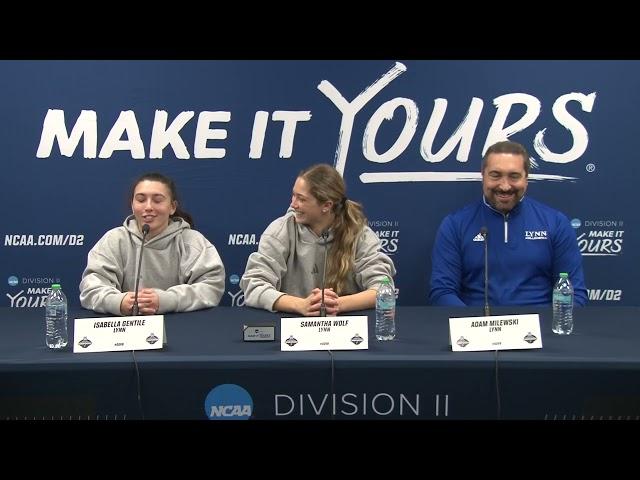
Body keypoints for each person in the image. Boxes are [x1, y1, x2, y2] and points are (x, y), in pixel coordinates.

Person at [429, 140, 587, 307]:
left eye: (514, 176)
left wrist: (545, 326)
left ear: (526, 178)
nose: (504, 186)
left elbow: (574, 293)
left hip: (539, 329)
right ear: (483, 175)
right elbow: (442, 292)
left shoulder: (556, 223)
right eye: (495, 175)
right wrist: (474, 325)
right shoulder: (455, 225)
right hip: (477, 328)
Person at [240, 163, 396, 316]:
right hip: (291, 328)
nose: (293, 204)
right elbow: (253, 286)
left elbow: (383, 288)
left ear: (326, 206)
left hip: (346, 329)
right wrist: (301, 305)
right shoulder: (280, 231)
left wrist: (336, 304)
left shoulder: (360, 234)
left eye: (301, 199)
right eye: (293, 195)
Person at [80, 172, 225, 316]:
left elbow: (212, 287)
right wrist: (119, 302)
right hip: (126, 329)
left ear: (172, 207)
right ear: (132, 205)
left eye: (157, 200)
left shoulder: (192, 241)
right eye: (141, 200)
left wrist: (167, 300)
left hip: (182, 328)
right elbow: (91, 287)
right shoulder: (114, 240)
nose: (148, 207)